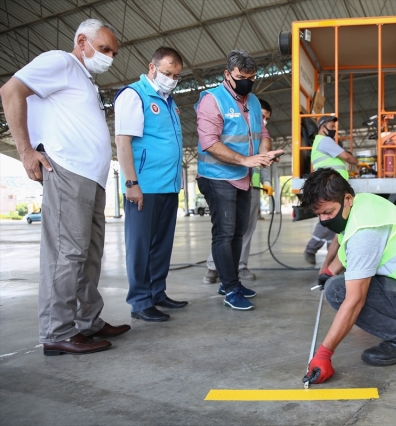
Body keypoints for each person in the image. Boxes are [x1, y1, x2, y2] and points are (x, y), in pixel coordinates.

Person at [0, 18, 130, 356]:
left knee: (88, 256)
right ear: (82, 41)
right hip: (68, 173)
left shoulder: (82, 78)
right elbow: (11, 91)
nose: (109, 56)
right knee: (66, 254)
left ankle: (89, 321)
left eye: (113, 52)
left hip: (92, 179)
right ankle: (57, 331)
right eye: (104, 49)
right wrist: (26, 151)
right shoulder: (60, 61)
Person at [300, 169, 396, 385]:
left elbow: (355, 300)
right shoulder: (362, 204)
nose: (324, 220)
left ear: (347, 199)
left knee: (338, 291)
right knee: (337, 282)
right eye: (319, 215)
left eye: (328, 212)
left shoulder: (366, 231)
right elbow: (347, 249)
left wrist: (325, 353)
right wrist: (329, 270)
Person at [195, 50, 283, 311]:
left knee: (237, 233)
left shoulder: (253, 101)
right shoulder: (212, 100)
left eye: (251, 77)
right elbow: (209, 142)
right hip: (217, 176)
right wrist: (246, 161)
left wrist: (264, 154)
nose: (246, 82)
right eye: (241, 77)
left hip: (243, 176)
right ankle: (231, 289)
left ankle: (229, 281)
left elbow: (263, 132)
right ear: (227, 74)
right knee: (224, 233)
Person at [114, 47, 188, 322]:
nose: (171, 78)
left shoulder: (169, 101)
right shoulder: (135, 95)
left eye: (176, 75)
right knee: (141, 246)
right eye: (167, 73)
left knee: (161, 245)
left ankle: (157, 292)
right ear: (152, 67)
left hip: (167, 186)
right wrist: (131, 183)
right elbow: (123, 142)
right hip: (144, 187)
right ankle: (140, 301)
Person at [203, 98, 274, 284]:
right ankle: (213, 267)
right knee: (225, 230)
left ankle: (240, 266)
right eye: (262, 116)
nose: (264, 121)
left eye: (266, 118)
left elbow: (264, 161)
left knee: (244, 231)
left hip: (253, 186)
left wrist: (267, 182)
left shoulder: (260, 135)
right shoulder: (238, 130)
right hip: (229, 180)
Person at [303, 116, 357, 265]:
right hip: (330, 186)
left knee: (334, 221)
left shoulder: (318, 144)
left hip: (330, 185)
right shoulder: (325, 141)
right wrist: (357, 162)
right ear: (322, 127)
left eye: (335, 128)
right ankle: (311, 249)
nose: (334, 130)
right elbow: (346, 156)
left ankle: (331, 256)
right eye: (331, 127)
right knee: (329, 217)